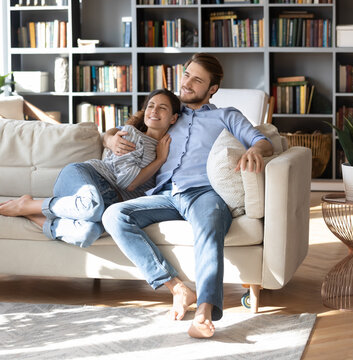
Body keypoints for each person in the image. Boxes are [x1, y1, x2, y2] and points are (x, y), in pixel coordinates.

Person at [101, 53, 274, 338]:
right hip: (166, 194)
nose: (187, 83)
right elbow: (126, 126)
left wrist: (255, 149)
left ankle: (205, 313)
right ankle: (178, 288)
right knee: (114, 214)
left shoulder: (225, 115)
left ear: (212, 89)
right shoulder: (169, 112)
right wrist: (108, 138)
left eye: (197, 80)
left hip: (204, 194)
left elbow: (262, 141)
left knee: (207, 230)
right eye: (186, 75)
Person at [0, 89, 181, 248]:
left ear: (173, 118)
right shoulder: (131, 134)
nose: (154, 111)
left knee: (87, 233)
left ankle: (29, 213)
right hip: (87, 175)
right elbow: (129, 182)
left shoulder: (172, 144)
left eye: (162, 108)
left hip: (110, 202)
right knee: (91, 207)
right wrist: (159, 159)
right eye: (151, 105)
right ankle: (28, 205)